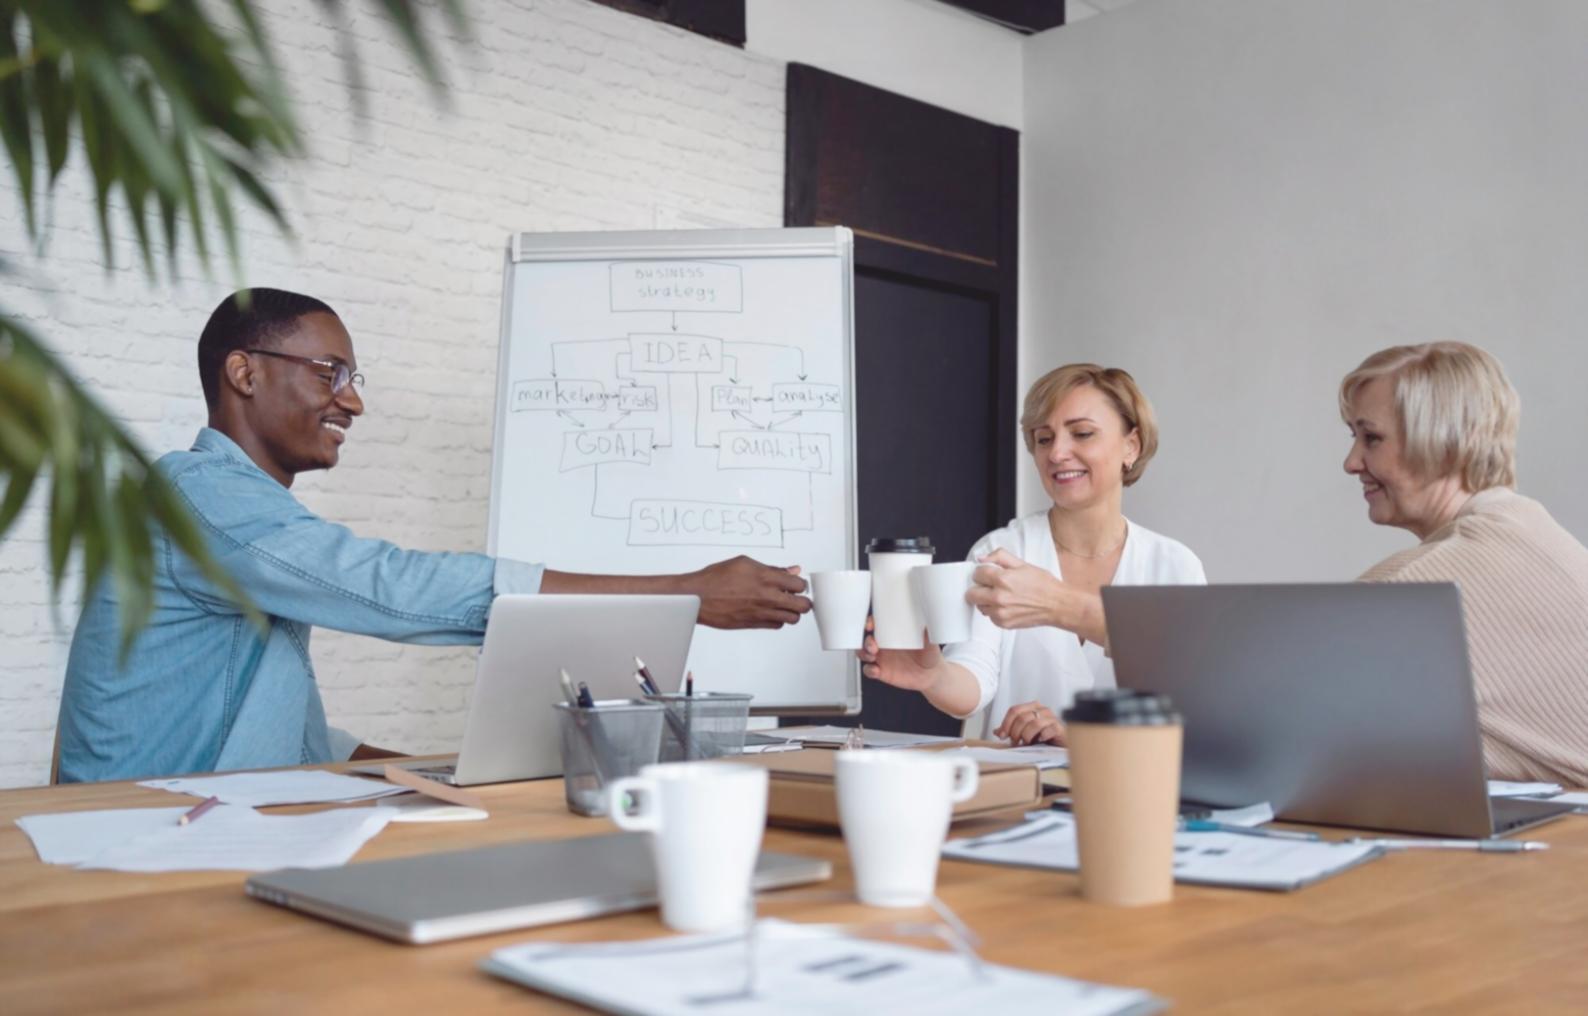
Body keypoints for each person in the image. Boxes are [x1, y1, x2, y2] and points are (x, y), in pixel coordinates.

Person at [56, 289, 811, 782]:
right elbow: (388, 588)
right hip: (130, 834)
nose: (352, 402)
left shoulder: (237, 513)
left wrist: (412, 770)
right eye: (329, 372)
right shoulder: (201, 497)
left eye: (353, 377)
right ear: (244, 373)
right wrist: (687, 593)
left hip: (183, 820)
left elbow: (257, 705)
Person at [858, 364, 1205, 745]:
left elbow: (1190, 695)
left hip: (1131, 790)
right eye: (1043, 439)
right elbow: (973, 680)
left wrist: (1076, 736)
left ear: (1131, 446)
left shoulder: (1173, 565)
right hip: (1021, 793)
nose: (1057, 452)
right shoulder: (1001, 552)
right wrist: (933, 675)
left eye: (1082, 433)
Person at [1341, 342, 1588, 784]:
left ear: (1448, 443)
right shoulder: (1535, 532)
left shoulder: (1412, 588)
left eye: (1372, 438)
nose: (1351, 462)